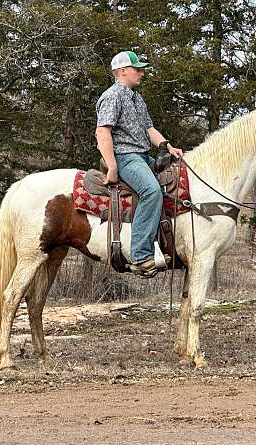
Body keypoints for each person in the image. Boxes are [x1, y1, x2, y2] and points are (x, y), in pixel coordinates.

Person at [95, 50, 183, 278]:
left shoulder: (136, 97)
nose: (142, 73)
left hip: (142, 155)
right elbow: (103, 131)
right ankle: (141, 256)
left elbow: (148, 129)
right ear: (123, 71)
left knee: (176, 176)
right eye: (138, 69)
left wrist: (167, 145)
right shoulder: (112, 96)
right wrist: (112, 166)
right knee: (151, 191)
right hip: (125, 156)